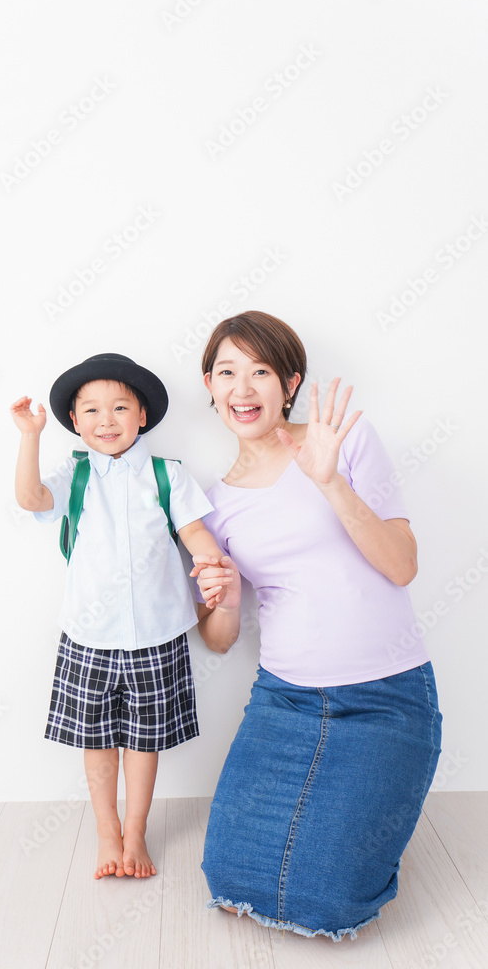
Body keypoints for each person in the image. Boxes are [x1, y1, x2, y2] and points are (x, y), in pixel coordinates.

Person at [191, 311, 442, 941]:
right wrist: (224, 598)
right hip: (283, 701)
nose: (242, 389)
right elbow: (219, 639)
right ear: (209, 385)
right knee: (227, 876)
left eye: (260, 372)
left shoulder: (343, 441)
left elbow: (403, 566)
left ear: (290, 383)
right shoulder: (213, 506)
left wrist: (329, 483)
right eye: (227, 372)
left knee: (330, 899)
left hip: (387, 697)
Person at [11, 353, 227, 881]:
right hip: (89, 636)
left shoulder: (167, 475)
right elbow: (31, 498)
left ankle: (136, 830)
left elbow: (195, 532)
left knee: (144, 743)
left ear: (142, 416)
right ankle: (107, 831)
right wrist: (30, 437)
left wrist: (210, 562)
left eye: (120, 408)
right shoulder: (76, 476)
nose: (106, 420)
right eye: (91, 410)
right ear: (75, 420)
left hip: (158, 635)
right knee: (97, 742)